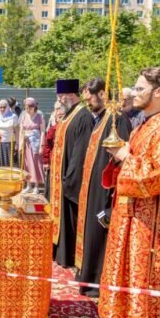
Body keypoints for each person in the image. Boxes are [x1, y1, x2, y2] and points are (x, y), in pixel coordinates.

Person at [99, 67, 160, 318]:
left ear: (159, 92)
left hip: (151, 224)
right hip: (131, 217)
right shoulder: (143, 124)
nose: (134, 92)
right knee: (127, 276)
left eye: (140, 88)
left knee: (146, 280)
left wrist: (126, 158)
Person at [75, 78, 132, 298]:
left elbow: (121, 157)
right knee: (91, 235)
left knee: (99, 236)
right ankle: (87, 278)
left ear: (102, 94)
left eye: (91, 98)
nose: (88, 102)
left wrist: (111, 196)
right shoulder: (101, 119)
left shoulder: (117, 119)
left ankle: (97, 283)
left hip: (105, 190)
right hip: (92, 188)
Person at [49, 79, 94, 268]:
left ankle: (68, 255)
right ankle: (59, 252)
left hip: (69, 179)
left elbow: (80, 151)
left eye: (62, 96)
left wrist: (69, 178)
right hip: (59, 177)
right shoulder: (67, 116)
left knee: (70, 218)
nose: (60, 100)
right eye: (58, 96)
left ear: (72, 95)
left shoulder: (83, 116)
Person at [19, 97, 45, 194]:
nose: (28, 109)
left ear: (34, 107)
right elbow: (21, 131)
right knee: (26, 165)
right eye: (26, 107)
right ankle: (28, 185)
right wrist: (20, 144)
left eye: (30, 107)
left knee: (36, 164)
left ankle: (36, 186)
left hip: (35, 143)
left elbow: (42, 131)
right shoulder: (24, 116)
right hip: (26, 143)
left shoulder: (39, 116)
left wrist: (41, 145)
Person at [43, 102, 66, 200]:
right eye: (56, 109)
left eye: (60, 109)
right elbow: (47, 145)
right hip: (54, 162)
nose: (58, 112)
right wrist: (46, 161)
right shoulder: (53, 129)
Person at [0, 99, 19, 167]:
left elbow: (16, 131)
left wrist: (17, 143)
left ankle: (6, 178)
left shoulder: (13, 116)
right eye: (0, 107)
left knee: (8, 164)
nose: (2, 109)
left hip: (9, 143)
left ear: (7, 107)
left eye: (4, 107)